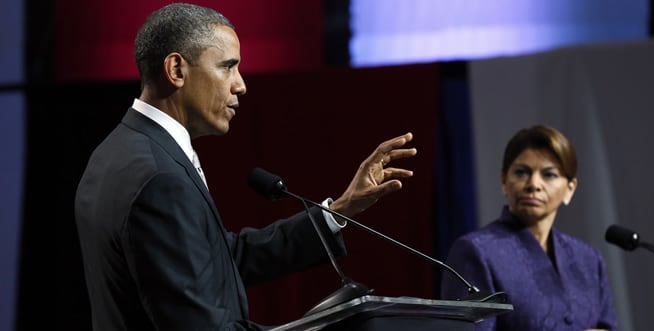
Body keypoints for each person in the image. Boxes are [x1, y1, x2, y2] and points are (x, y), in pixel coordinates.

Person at [74, 3, 417, 331]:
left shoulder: (116, 152)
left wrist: (340, 210)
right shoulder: (160, 178)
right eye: (227, 66)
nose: (240, 84)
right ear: (176, 70)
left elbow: (220, 260)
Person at [440, 125, 617, 331]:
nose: (534, 184)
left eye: (549, 174)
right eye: (522, 172)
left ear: (570, 189)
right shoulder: (476, 251)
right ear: (504, 181)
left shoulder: (588, 258)